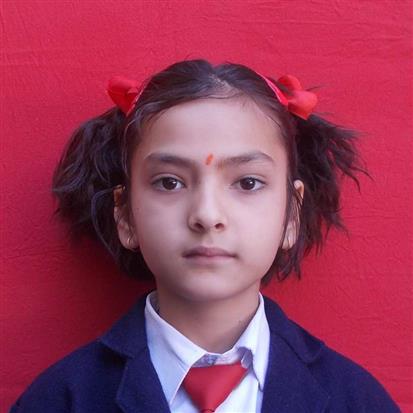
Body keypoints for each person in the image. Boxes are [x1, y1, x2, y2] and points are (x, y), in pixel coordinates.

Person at [10, 59, 400, 412]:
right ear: (125, 214)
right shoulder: (59, 401)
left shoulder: (358, 401)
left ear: (292, 213)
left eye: (247, 182)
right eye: (169, 182)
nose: (207, 215)